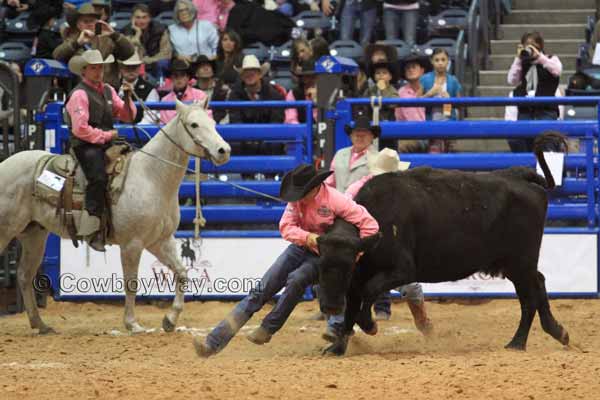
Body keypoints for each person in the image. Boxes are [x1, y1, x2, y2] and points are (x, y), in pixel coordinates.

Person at [193, 163, 379, 357]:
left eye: (301, 192)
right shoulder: (297, 200)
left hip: (325, 256)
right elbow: (285, 226)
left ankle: (268, 327)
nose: (297, 197)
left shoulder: (337, 200)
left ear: (315, 187)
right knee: (259, 291)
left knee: (297, 279)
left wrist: (351, 255)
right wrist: (307, 237)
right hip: (301, 247)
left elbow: (370, 226)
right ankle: (212, 343)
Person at [327, 148, 433, 339]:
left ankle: (421, 319)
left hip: (392, 244)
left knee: (408, 284)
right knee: (349, 279)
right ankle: (339, 326)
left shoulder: (401, 191)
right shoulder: (357, 189)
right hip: (365, 245)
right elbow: (343, 209)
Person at [64, 49, 137, 251]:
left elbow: (127, 116)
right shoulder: (79, 94)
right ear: (84, 71)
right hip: (85, 145)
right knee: (97, 178)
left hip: (105, 142)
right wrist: (106, 136)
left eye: (101, 68)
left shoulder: (108, 91)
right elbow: (80, 129)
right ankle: (92, 227)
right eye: (94, 68)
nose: (98, 72)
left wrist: (128, 97)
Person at [53, 2, 136, 89]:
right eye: (85, 21)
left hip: (108, 90)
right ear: (78, 25)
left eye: (92, 21)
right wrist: (77, 43)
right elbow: (57, 55)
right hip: (82, 90)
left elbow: (129, 53)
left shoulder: (107, 39)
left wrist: (114, 35)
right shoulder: (73, 39)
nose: (89, 24)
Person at [506, 31, 562, 152]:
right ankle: (527, 170)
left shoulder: (551, 59)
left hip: (546, 111)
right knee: (522, 143)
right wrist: (518, 59)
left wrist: (540, 57)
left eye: (533, 46)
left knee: (547, 144)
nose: (530, 49)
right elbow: (511, 80)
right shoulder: (522, 63)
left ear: (540, 46)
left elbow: (557, 70)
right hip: (526, 111)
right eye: (527, 46)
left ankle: (547, 171)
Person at [420, 48, 462, 153]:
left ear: (448, 61)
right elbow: (416, 102)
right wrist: (429, 94)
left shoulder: (453, 80)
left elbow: (460, 104)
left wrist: (450, 99)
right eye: (437, 60)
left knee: (452, 153)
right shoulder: (424, 79)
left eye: (443, 60)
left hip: (449, 122)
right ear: (432, 61)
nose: (440, 63)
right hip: (430, 122)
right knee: (434, 152)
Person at [121, 4, 172, 79]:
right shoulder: (126, 31)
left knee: (163, 63)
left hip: (155, 64)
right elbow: (131, 55)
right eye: (138, 17)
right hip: (134, 66)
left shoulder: (160, 29)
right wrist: (137, 35)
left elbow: (166, 54)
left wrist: (148, 60)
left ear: (150, 18)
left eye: (144, 17)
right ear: (132, 19)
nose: (141, 21)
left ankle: (161, 85)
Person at [395, 54, 430, 153]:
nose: (410, 70)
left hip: (430, 133)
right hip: (408, 135)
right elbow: (399, 118)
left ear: (422, 70)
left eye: (414, 67)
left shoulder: (430, 89)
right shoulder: (401, 92)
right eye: (408, 68)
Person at [159, 59, 209, 124]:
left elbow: (207, 120)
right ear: (171, 78)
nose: (179, 78)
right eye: (175, 75)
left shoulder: (200, 96)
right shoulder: (165, 101)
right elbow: (165, 126)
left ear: (188, 77)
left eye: (182, 75)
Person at [118, 52, 160, 124]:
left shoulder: (149, 90)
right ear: (121, 68)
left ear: (139, 67)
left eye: (134, 67)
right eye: (127, 66)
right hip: (114, 132)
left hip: (140, 132)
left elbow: (150, 117)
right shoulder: (113, 88)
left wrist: (135, 130)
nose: (131, 70)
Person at [192, 55, 230, 123]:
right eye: (202, 66)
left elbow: (230, 111)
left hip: (221, 126)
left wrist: (222, 126)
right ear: (196, 73)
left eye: (208, 66)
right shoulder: (191, 92)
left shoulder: (224, 89)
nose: (206, 68)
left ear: (213, 71)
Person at [284, 58, 317, 124]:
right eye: (307, 77)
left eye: (314, 77)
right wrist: (303, 130)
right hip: (301, 132)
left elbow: (330, 119)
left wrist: (316, 101)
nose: (311, 80)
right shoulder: (293, 94)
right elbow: (290, 119)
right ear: (302, 78)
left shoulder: (328, 93)